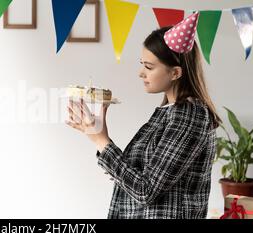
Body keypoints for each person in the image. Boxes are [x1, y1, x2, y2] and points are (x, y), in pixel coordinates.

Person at [66, 12, 222, 219]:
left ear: (175, 73)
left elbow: (145, 190)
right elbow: (137, 177)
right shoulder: (168, 112)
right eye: (142, 64)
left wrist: (101, 141)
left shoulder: (189, 115)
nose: (141, 73)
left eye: (149, 67)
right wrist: (98, 134)